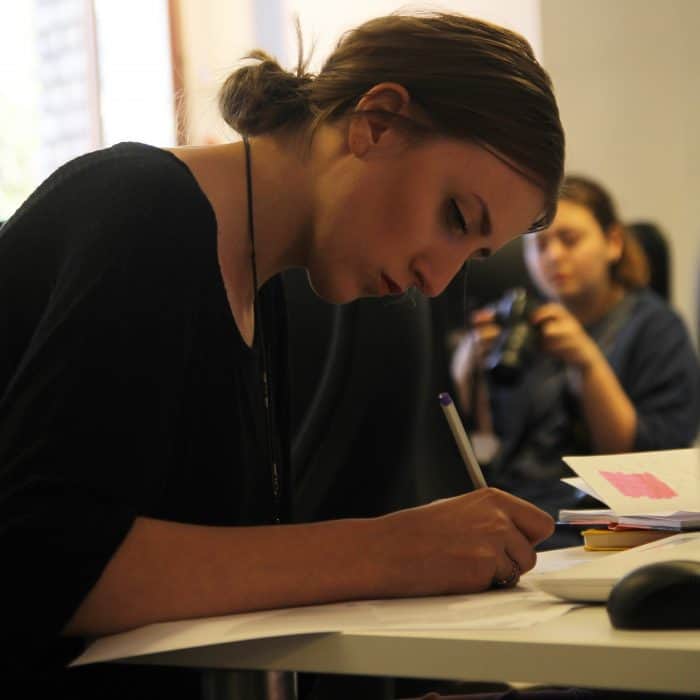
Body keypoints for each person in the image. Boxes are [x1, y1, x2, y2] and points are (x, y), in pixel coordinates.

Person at [0, 12, 564, 698]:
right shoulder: (143, 214)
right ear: (378, 123)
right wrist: (392, 550)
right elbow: (40, 566)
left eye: (472, 255)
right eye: (455, 217)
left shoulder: (260, 290)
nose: (437, 280)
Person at [451, 175, 700, 548]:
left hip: (601, 523)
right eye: (539, 246)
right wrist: (466, 369)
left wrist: (587, 362)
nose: (553, 256)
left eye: (569, 240)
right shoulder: (523, 325)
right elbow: (490, 444)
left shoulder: (655, 328)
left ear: (613, 243)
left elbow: (646, 462)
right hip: (517, 510)